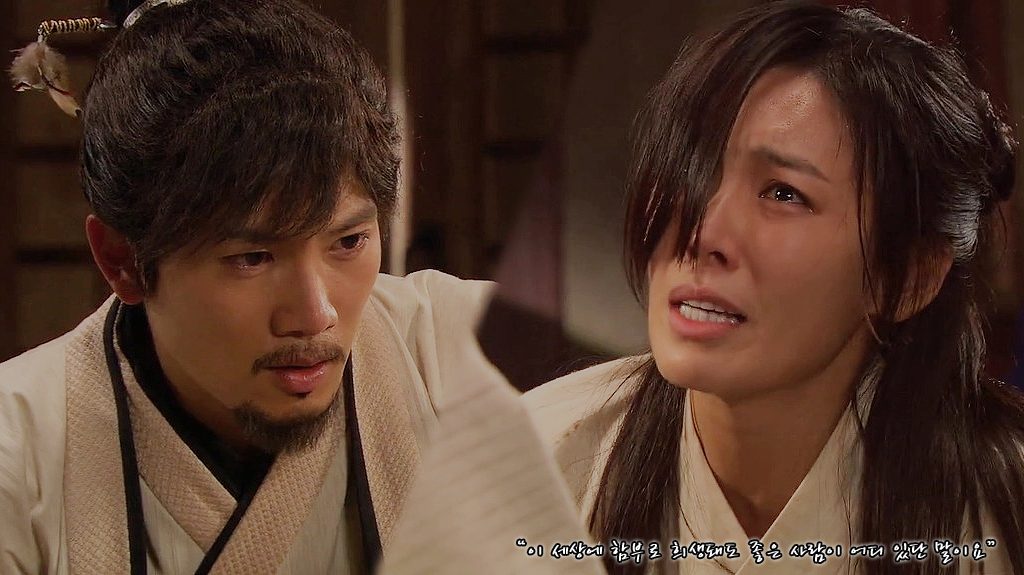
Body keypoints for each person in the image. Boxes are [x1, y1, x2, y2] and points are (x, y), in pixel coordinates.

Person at [525, 2, 1024, 574]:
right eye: (693, 168)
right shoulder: (526, 468)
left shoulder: (1002, 515)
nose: (701, 234)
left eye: (784, 193)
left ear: (909, 277)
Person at [0, 0, 496, 573]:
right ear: (123, 261)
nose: (315, 314)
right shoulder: (18, 451)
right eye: (252, 258)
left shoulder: (459, 350)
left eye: (348, 242)